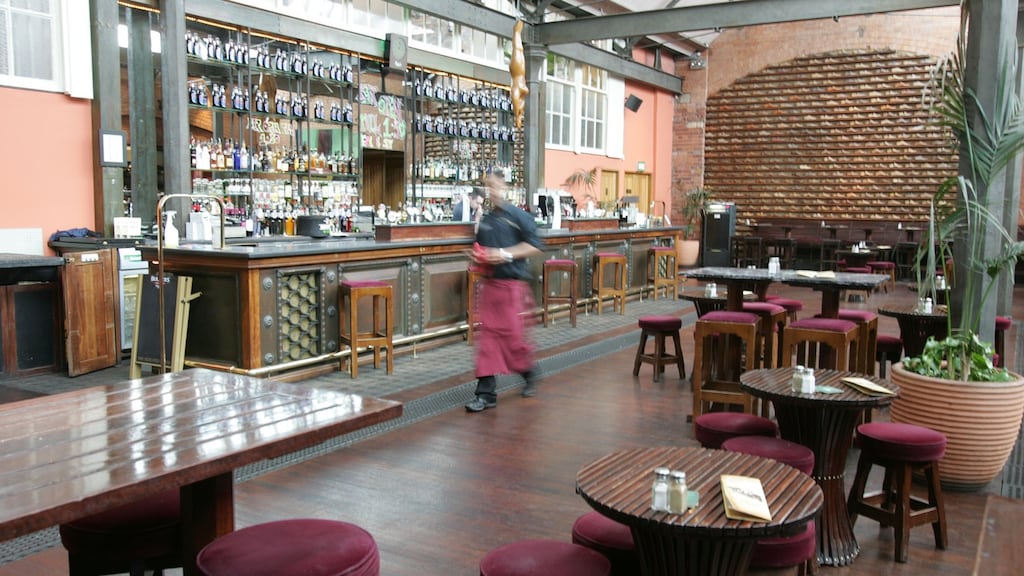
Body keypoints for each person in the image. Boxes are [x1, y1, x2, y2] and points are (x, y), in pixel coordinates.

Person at [465, 170, 544, 412]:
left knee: (513, 340)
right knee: (487, 341)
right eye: (489, 187)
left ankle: (529, 372)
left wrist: (505, 254)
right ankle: (486, 394)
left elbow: (535, 246)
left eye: (497, 186)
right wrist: (478, 257)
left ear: (505, 187)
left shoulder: (519, 217)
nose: (493, 191)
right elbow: (481, 249)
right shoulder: (486, 221)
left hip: (512, 288)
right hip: (491, 288)